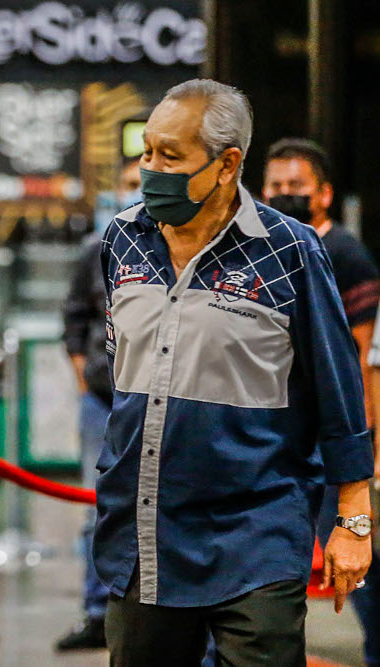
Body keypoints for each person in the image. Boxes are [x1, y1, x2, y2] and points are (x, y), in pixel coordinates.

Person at [97, 79, 374, 665]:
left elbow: (338, 386)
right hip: (145, 531)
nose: (151, 169)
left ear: (227, 166)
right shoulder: (123, 239)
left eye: (170, 157)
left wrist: (353, 517)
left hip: (255, 534)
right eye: (147, 151)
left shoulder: (289, 250)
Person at [263, 138, 380, 667]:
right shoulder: (260, 245)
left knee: (358, 557)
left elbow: (360, 357)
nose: (285, 195)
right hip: (280, 433)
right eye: (276, 187)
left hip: (334, 436)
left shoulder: (346, 254)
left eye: (297, 187)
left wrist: (364, 444)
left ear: (324, 195)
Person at [56, 159, 140, 652]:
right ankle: (95, 611)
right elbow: (73, 317)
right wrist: (84, 379)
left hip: (150, 403)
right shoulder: (97, 248)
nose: (135, 193)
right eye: (128, 185)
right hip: (102, 401)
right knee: (95, 505)